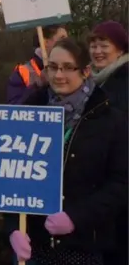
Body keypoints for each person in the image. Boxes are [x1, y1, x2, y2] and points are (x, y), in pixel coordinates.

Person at [7, 38, 128, 264]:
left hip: (83, 246)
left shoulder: (110, 119)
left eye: (67, 68)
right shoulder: (29, 112)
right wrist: (13, 228)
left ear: (85, 71)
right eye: (52, 67)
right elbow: (12, 176)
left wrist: (76, 217)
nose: (58, 75)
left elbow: (120, 184)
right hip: (34, 244)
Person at [87, 21, 128, 265]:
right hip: (98, 189)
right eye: (93, 45)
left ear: (120, 50)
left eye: (104, 45)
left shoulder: (122, 83)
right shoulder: (96, 81)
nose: (97, 50)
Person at [7, 25, 68, 104]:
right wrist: (38, 85)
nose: (67, 43)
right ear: (45, 42)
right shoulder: (22, 73)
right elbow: (13, 111)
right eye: (62, 39)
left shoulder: (73, 69)